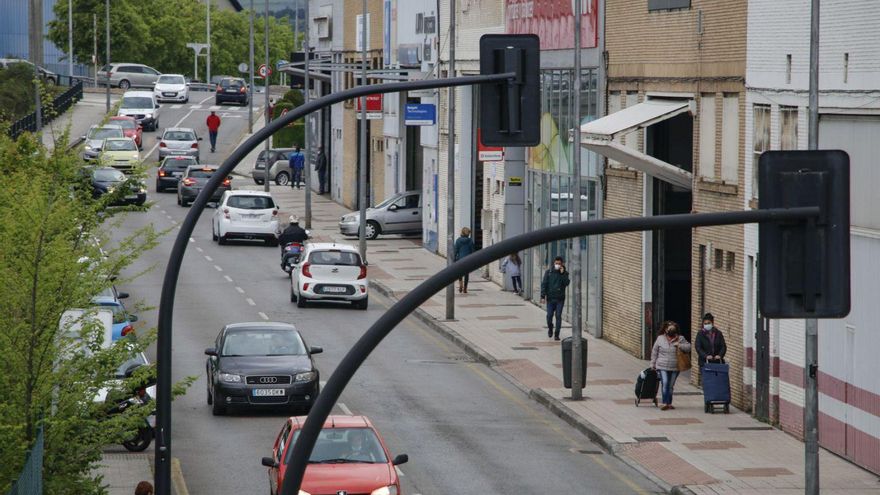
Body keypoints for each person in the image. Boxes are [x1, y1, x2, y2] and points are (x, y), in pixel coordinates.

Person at [651, 320, 692, 410]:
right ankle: (664, 402)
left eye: (673, 329)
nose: (671, 331)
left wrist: (679, 345)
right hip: (662, 365)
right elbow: (654, 352)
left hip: (675, 366)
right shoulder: (660, 338)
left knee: (670, 385)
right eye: (669, 329)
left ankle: (669, 403)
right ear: (665, 329)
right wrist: (652, 364)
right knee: (665, 383)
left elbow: (689, 347)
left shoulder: (680, 338)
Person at [540, 256, 570, 340]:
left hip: (560, 299)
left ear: (562, 264)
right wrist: (542, 296)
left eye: (559, 264)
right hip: (550, 298)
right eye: (556, 263)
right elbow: (544, 284)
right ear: (554, 263)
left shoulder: (565, 273)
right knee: (549, 316)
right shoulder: (548, 272)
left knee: (558, 315)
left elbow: (567, 283)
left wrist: (563, 273)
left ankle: (557, 334)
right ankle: (550, 328)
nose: (557, 265)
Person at [453, 227, 476, 293]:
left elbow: (456, 251)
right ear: (468, 233)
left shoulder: (458, 240)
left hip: (460, 259)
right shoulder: (470, 241)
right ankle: (465, 288)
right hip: (468, 260)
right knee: (466, 274)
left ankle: (461, 284)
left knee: (459, 273)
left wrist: (454, 259)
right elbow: (472, 251)